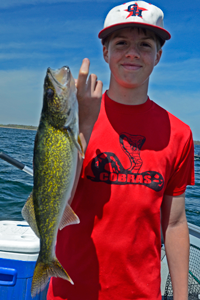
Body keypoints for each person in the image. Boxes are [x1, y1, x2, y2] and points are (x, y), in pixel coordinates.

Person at [47, 1, 195, 300]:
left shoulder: (180, 133)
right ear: (105, 52)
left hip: (141, 292)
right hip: (70, 289)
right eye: (121, 43)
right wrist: (85, 125)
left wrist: (181, 296)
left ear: (158, 56)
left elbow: (175, 221)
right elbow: (59, 200)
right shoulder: (70, 119)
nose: (132, 52)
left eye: (144, 44)